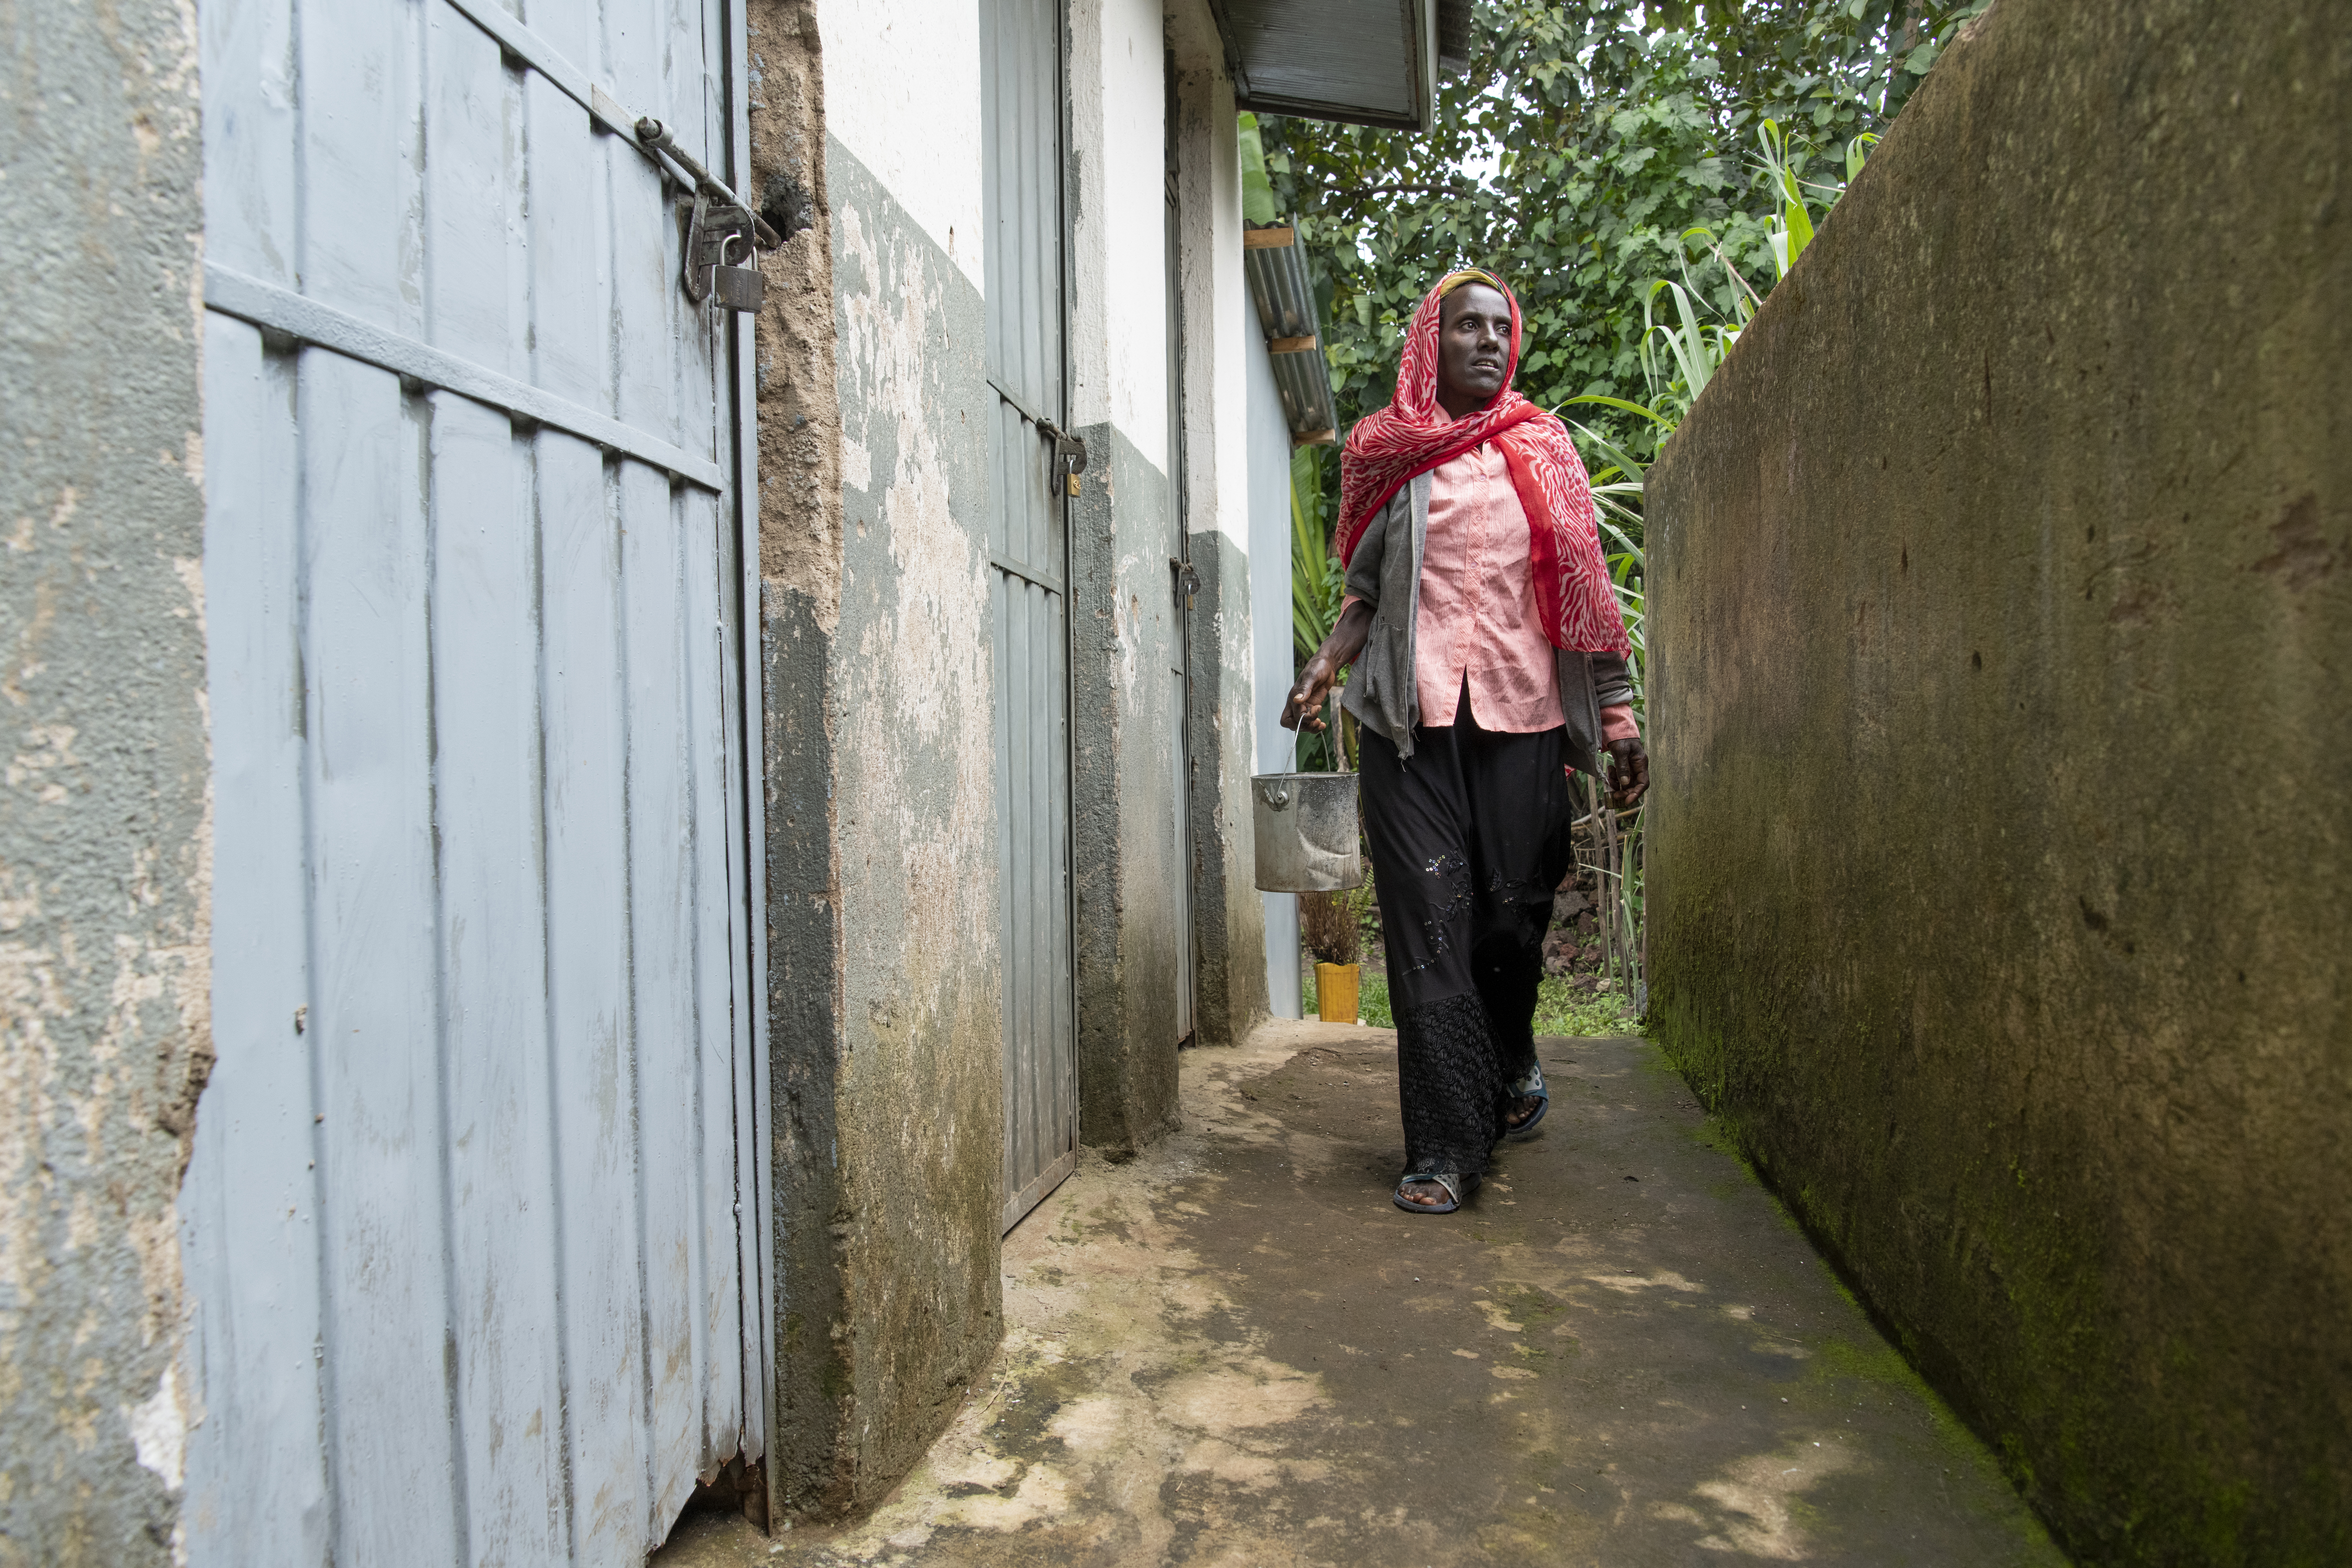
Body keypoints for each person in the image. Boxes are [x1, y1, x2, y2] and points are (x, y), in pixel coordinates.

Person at [1282, 268, 1648, 1215]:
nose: (1486, 341)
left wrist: (1618, 722)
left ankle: (1510, 1048)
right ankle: (1445, 1147)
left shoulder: (1546, 451)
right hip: (1408, 729)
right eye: (1466, 327)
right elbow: (1364, 590)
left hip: (1523, 723)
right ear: (1429, 345)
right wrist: (1325, 667)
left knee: (1506, 923)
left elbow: (1589, 605)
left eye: (1500, 328)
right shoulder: (1396, 457)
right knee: (1429, 923)